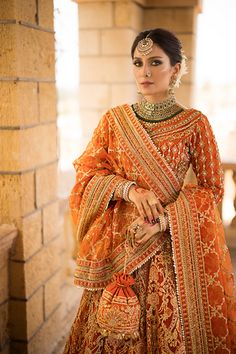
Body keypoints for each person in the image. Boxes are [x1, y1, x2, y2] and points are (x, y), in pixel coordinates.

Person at [64, 28, 236, 353]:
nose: (144, 72)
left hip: (170, 250)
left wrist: (162, 222)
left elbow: (211, 189)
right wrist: (130, 190)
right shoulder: (114, 121)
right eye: (138, 62)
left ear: (175, 68)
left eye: (155, 62)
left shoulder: (195, 124)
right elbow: (88, 171)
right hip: (118, 249)